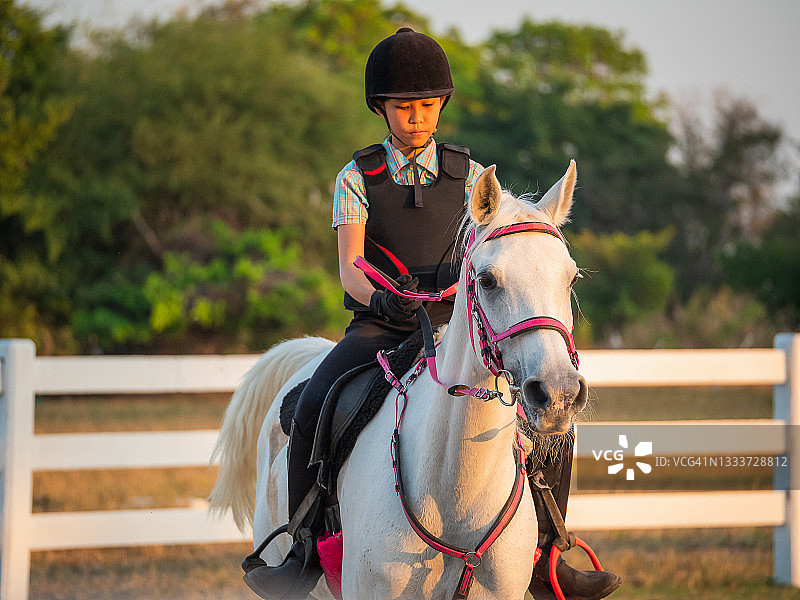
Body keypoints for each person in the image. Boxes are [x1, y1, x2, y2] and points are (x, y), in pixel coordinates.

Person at [243, 27, 620, 600]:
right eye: (402, 107)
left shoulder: (473, 178)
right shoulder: (355, 177)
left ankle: (548, 551)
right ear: (380, 108)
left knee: (552, 423)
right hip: (380, 323)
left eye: (426, 105)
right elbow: (350, 267)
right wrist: (381, 299)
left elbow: (497, 252)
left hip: (455, 326)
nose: (415, 117)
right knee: (316, 402)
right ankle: (300, 548)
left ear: (441, 104)